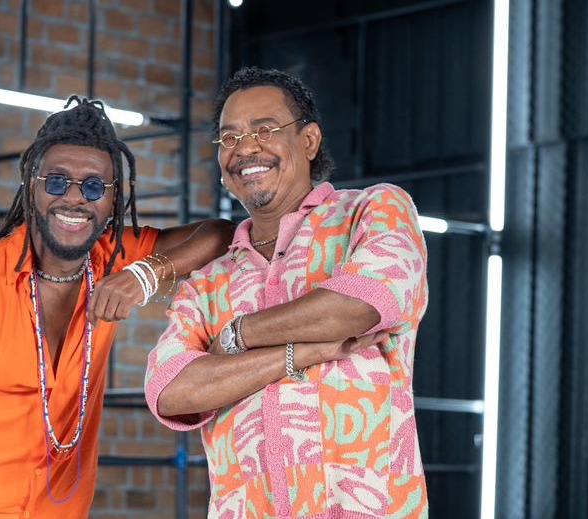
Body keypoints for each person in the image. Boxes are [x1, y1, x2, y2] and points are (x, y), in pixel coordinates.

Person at [0, 97, 235, 518]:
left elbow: (222, 236)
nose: (74, 199)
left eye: (94, 186)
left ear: (113, 200)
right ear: (31, 186)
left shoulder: (113, 257)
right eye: (57, 181)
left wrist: (147, 274)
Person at [144, 67, 429, 518]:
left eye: (265, 130)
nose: (245, 148)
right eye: (230, 137)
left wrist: (237, 336)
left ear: (309, 141)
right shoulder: (208, 281)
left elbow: (358, 305)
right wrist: (303, 352)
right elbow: (169, 390)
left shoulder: (373, 211)